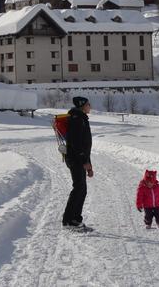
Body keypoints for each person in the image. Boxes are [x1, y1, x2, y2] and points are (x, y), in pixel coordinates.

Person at [61, 96, 93, 231]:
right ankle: (70, 220)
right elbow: (76, 144)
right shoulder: (77, 120)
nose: (90, 106)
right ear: (82, 106)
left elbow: (85, 145)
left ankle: (73, 219)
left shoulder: (81, 119)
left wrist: (89, 164)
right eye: (88, 104)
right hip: (75, 160)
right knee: (79, 189)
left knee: (81, 189)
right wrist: (84, 161)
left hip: (79, 160)